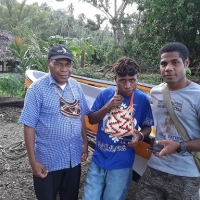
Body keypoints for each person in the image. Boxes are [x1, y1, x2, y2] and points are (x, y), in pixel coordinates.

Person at [19, 44, 90, 200]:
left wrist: (85, 143)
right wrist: (33, 162)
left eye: (68, 64)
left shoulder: (76, 86)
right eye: (58, 64)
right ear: (48, 64)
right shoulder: (37, 89)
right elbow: (29, 126)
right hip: (48, 161)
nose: (64, 69)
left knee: (70, 197)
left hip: (73, 159)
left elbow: (81, 116)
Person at [82, 57, 154, 200]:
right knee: (90, 197)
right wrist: (108, 107)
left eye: (132, 80)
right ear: (115, 79)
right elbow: (92, 119)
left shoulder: (142, 99)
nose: (128, 85)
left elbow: (147, 127)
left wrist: (139, 136)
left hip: (122, 161)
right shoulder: (105, 94)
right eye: (123, 80)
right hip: (99, 158)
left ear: (137, 78)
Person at [136, 42, 200, 200]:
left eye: (175, 62)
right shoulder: (156, 92)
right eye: (163, 63)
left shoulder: (197, 95)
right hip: (155, 167)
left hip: (186, 174)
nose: (168, 68)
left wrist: (180, 145)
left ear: (186, 63)